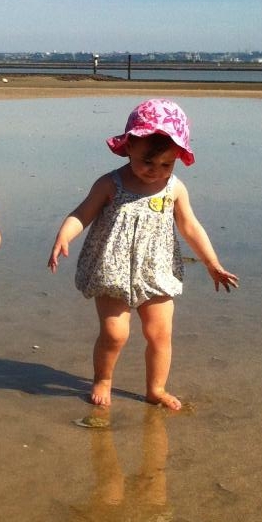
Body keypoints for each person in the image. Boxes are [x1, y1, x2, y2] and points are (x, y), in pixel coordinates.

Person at [48, 98, 236, 410]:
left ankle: (156, 389)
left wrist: (211, 263)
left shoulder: (174, 188)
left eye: (166, 164)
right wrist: (63, 236)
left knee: (160, 334)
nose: (155, 171)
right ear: (130, 146)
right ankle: (103, 379)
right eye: (148, 162)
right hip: (112, 270)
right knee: (115, 333)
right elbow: (83, 213)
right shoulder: (111, 183)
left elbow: (191, 227)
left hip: (157, 270)